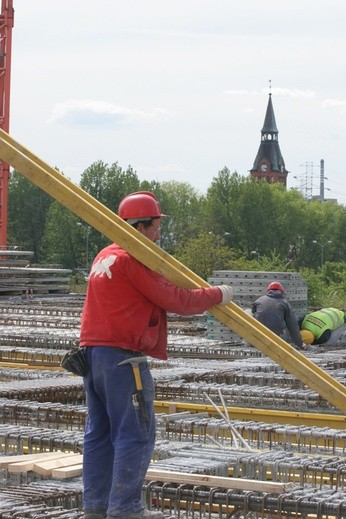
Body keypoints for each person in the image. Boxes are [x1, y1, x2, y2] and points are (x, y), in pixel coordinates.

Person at [79, 191, 234, 519]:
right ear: (139, 227)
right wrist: (220, 293)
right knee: (135, 433)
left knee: (100, 433)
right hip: (123, 359)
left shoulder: (104, 255)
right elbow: (178, 300)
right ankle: (125, 510)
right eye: (154, 227)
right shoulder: (133, 258)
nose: (158, 234)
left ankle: (95, 508)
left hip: (93, 357)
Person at [251, 281, 303, 349]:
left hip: (258, 334)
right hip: (275, 336)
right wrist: (299, 344)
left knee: (249, 313)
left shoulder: (259, 300)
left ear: (268, 291)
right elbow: (292, 325)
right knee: (285, 319)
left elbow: (253, 312)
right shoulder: (284, 303)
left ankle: (251, 341)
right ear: (281, 292)